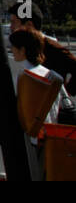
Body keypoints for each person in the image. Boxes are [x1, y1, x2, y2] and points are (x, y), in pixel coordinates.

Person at [11, 27, 67, 179]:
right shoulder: (52, 75)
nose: (12, 50)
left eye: (14, 47)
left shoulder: (25, 77)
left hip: (34, 138)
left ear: (22, 50)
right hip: (52, 134)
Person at [9, 0, 76, 88]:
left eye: (14, 22)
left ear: (29, 25)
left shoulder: (52, 48)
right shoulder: (27, 48)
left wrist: (66, 93)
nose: (11, 27)